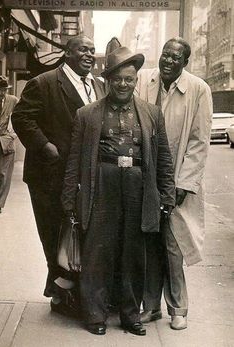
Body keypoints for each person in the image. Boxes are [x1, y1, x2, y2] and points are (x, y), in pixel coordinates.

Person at [61, 46, 175, 336]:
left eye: (129, 79)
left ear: (136, 80)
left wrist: (167, 196)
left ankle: (129, 314)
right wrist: (69, 199)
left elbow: (163, 158)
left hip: (138, 187)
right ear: (108, 80)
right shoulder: (86, 114)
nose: (123, 85)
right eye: (117, 80)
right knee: (98, 251)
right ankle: (95, 315)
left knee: (133, 253)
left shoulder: (151, 113)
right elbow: (74, 159)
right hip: (101, 185)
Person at [11, 34, 105, 316]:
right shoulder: (44, 83)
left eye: (92, 50)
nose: (89, 55)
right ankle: (62, 294)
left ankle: (66, 291)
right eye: (82, 50)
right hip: (49, 175)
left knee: (79, 234)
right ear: (67, 53)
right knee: (54, 234)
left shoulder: (98, 86)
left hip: (84, 175)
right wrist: (45, 146)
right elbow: (21, 118)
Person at [136, 37, 213, 330]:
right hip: (145, 178)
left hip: (178, 181)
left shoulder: (199, 89)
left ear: (185, 62)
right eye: (164, 55)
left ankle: (178, 308)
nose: (167, 61)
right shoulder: (146, 79)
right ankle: (151, 306)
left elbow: (199, 141)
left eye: (174, 57)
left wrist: (183, 184)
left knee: (173, 246)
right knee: (148, 245)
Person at [0, 76, 18, 213]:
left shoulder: (14, 101)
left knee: (2, 173)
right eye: (0, 89)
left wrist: (12, 135)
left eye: (5, 89)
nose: (3, 92)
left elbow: (22, 118)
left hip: (6, 142)